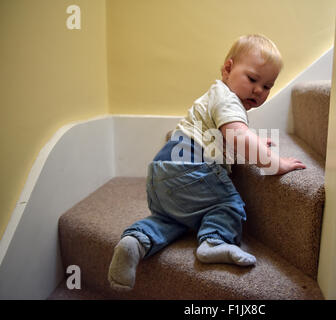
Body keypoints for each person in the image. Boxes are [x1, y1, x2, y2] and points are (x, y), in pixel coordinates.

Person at [107, 34, 306, 291]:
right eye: (253, 79)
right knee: (228, 204)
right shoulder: (228, 100)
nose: (259, 90)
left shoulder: (215, 96)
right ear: (228, 69)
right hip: (193, 167)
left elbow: (229, 138)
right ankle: (214, 241)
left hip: (161, 171)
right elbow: (237, 136)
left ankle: (136, 240)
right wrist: (275, 163)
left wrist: (256, 142)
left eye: (267, 86)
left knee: (171, 219)